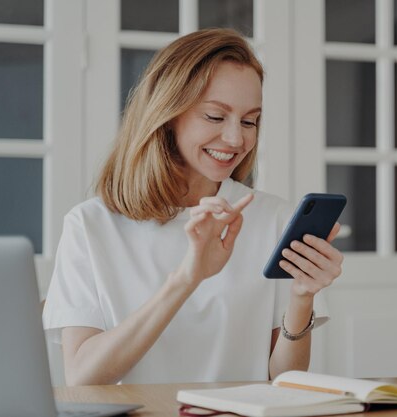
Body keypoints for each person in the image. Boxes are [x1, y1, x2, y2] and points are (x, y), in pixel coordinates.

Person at [42, 28, 343, 386]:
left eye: (250, 121)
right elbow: (83, 376)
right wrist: (187, 278)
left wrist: (301, 297)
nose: (237, 139)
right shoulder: (90, 225)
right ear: (167, 115)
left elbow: (285, 378)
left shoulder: (273, 218)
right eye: (216, 117)